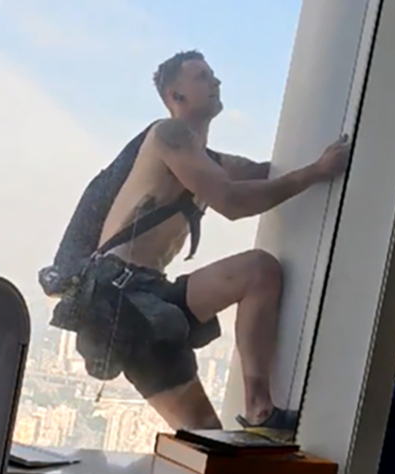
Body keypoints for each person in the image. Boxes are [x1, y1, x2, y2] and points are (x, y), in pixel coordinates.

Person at [85, 50, 351, 431]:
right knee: (205, 436)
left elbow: (261, 174)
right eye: (202, 77)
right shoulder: (168, 134)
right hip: (122, 301)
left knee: (259, 270)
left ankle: (259, 408)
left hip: (152, 292)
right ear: (176, 96)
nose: (215, 82)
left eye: (212, 75)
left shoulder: (204, 158)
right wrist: (316, 172)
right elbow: (232, 201)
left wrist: (322, 161)